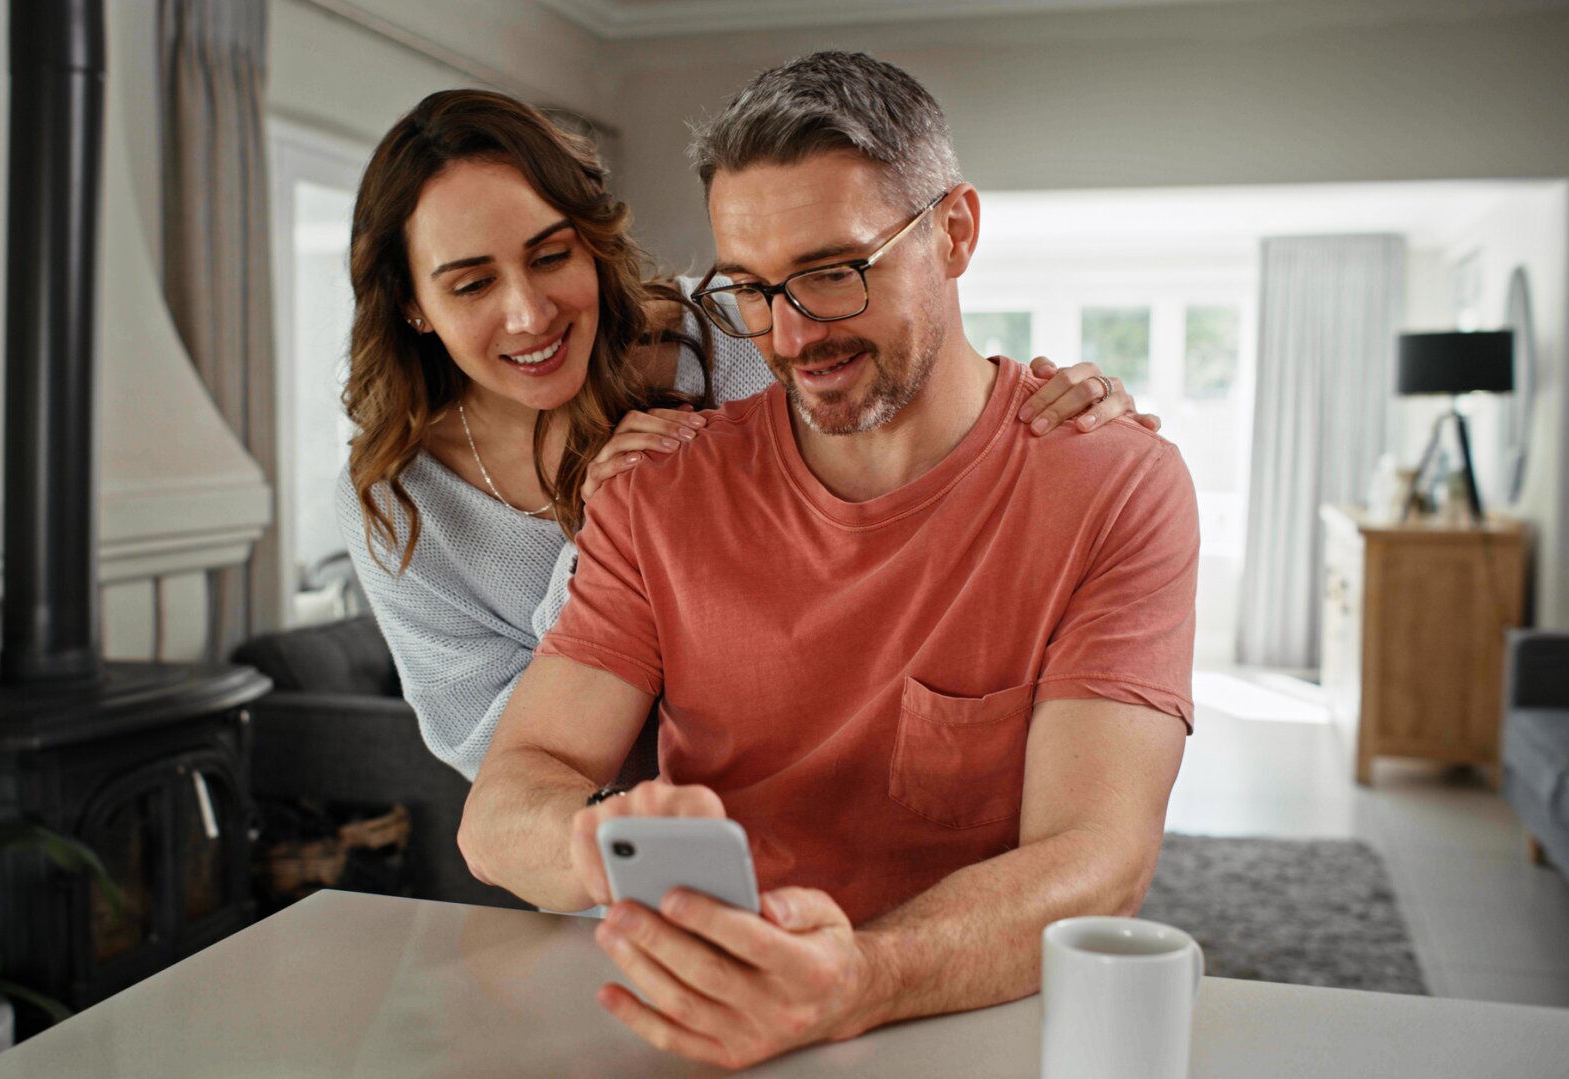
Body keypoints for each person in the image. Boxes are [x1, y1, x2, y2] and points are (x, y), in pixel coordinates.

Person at [456, 53, 1198, 1069]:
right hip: (700, 1028)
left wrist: (859, 977)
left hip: (969, 1022)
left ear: (953, 231)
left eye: (831, 272)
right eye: (752, 290)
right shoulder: (660, 490)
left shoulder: (1111, 484)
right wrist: (593, 844)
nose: (790, 334)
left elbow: (1097, 855)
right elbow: (502, 806)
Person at [334, 89, 1155, 781]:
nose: (529, 313)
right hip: (621, 862)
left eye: (551, 256)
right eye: (472, 283)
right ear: (411, 303)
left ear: (592, 242)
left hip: (840, 788)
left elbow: (904, 384)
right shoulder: (396, 503)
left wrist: (1054, 418)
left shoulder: (729, 331)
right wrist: (601, 541)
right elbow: (501, 757)